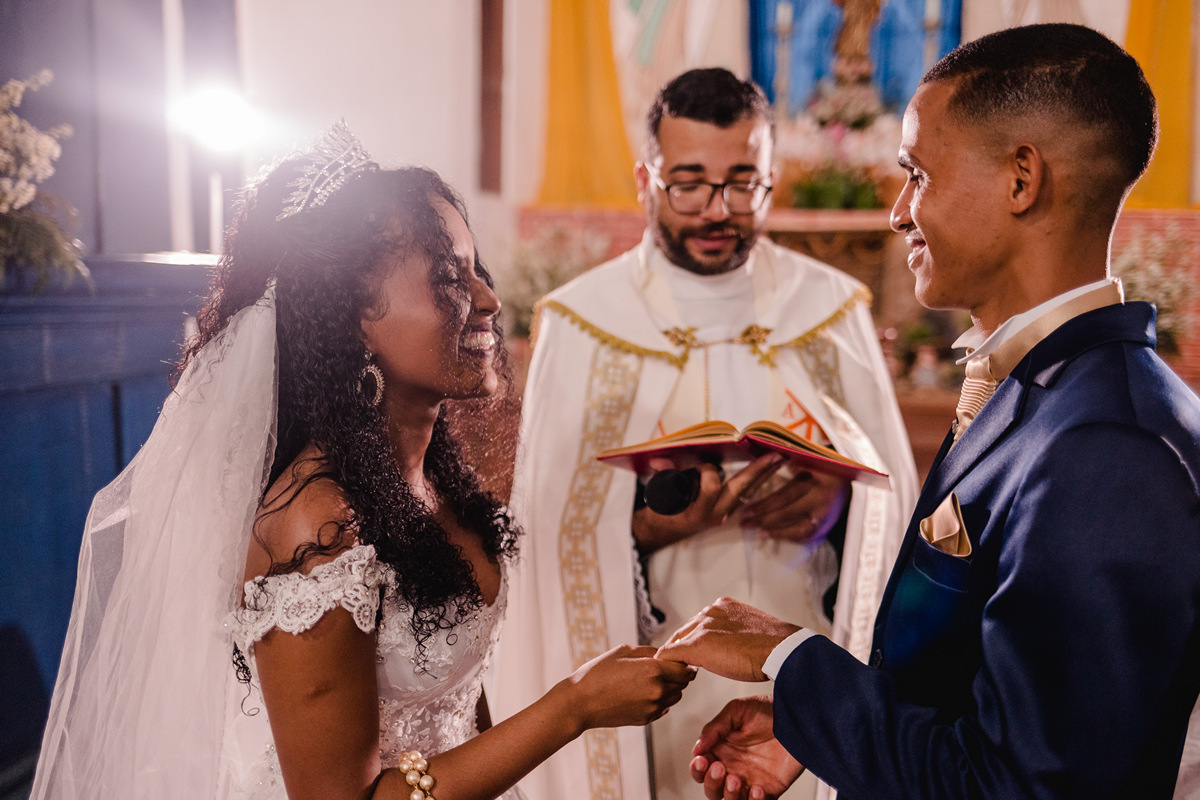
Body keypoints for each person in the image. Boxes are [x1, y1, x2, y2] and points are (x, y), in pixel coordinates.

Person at [31, 123, 695, 800]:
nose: (490, 302)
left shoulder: (433, 476)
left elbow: (456, 703)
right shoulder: (316, 529)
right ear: (352, 317)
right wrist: (572, 708)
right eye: (450, 278)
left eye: (478, 273)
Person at [656, 23, 1200, 800]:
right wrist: (813, 726)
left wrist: (787, 655)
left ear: (1022, 179)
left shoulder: (1109, 449)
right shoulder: (1036, 388)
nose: (897, 213)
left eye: (918, 173)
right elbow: (969, 694)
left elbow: (1020, 790)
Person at [489, 69, 918, 800]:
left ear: (771, 179)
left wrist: (837, 514)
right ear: (645, 181)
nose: (717, 210)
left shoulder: (830, 307)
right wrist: (650, 528)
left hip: (799, 667)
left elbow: (898, 500)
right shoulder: (581, 321)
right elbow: (543, 533)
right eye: (688, 183)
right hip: (646, 685)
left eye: (742, 183)